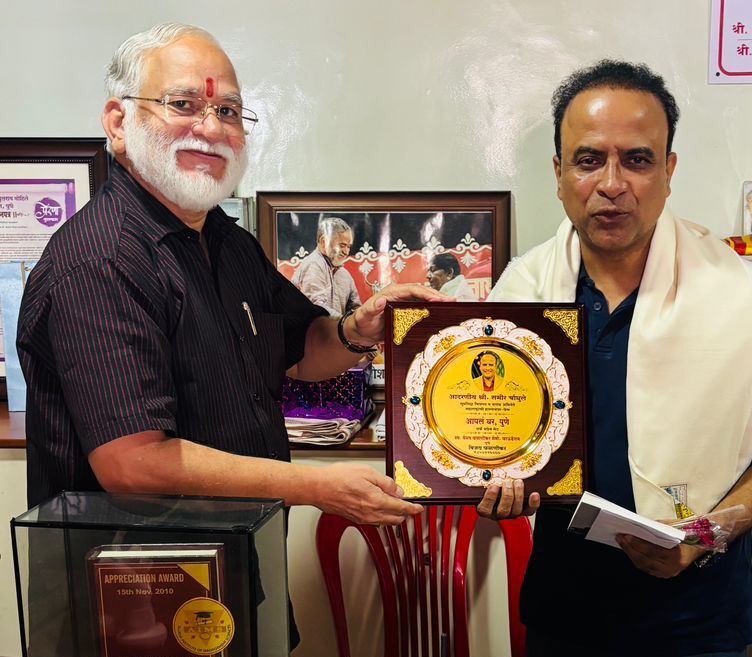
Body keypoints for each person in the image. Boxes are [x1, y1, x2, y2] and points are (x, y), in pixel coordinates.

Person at [15, 23, 443, 652]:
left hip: (237, 561)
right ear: (118, 122)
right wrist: (318, 487)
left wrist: (359, 329)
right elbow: (133, 463)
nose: (211, 128)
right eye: (184, 104)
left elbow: (303, 349)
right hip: (133, 592)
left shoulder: (227, 241)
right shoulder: (101, 259)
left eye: (229, 112)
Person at [479, 60, 752, 656]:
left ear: (668, 171)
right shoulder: (520, 297)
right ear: (559, 173)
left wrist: (702, 535)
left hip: (700, 621)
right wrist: (485, 480)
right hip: (565, 614)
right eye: (588, 160)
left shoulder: (743, 302)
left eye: (637, 159)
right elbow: (487, 444)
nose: (612, 184)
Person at [292, 216, 362, 317]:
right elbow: (318, 310)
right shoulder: (314, 265)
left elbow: (355, 309)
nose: (346, 252)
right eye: (342, 245)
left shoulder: (345, 274)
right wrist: (345, 323)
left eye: (348, 247)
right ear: (324, 242)